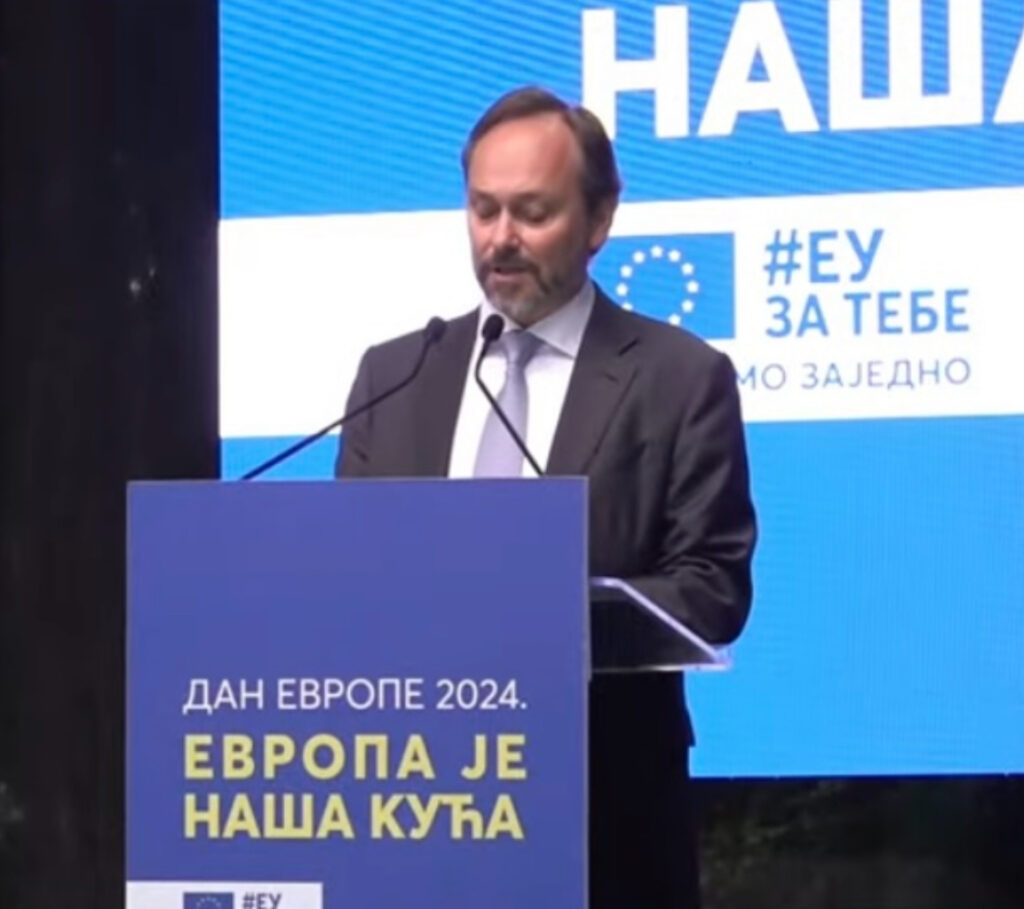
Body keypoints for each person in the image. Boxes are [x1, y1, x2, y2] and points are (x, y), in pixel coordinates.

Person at [337, 86, 756, 909]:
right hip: (411, 810)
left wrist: (540, 609)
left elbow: (712, 591)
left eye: (532, 213)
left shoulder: (679, 379)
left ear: (599, 220)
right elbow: (346, 578)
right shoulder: (396, 375)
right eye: (483, 210)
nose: (501, 238)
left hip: (605, 821)